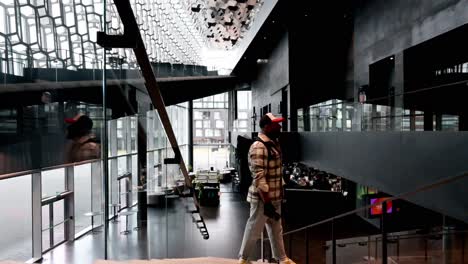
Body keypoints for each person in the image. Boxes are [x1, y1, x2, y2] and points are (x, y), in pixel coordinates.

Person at [238, 113, 296, 264]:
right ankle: (243, 259)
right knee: (254, 230)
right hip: (263, 200)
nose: (279, 127)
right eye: (275, 124)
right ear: (266, 126)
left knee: (276, 229)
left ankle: (282, 259)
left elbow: (275, 173)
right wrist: (267, 202)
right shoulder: (259, 147)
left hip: (274, 198)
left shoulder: (272, 144)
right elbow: (259, 177)